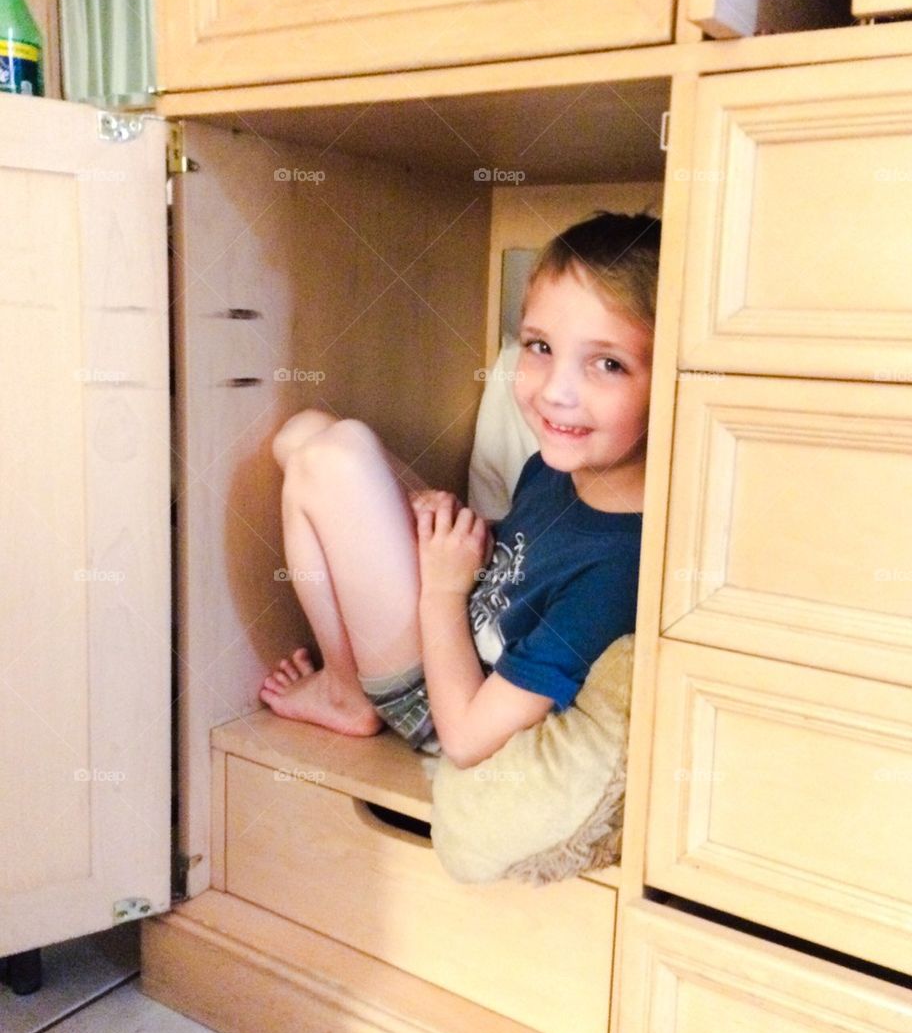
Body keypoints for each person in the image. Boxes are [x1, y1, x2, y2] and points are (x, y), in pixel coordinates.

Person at [259, 211, 659, 768]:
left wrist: (444, 590)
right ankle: (347, 681)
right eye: (540, 347)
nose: (556, 393)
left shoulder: (616, 573)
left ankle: (346, 693)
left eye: (607, 363)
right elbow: (524, 567)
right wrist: (462, 532)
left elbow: (467, 740)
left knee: (334, 457)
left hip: (444, 700)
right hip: (455, 620)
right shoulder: (557, 470)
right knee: (305, 432)